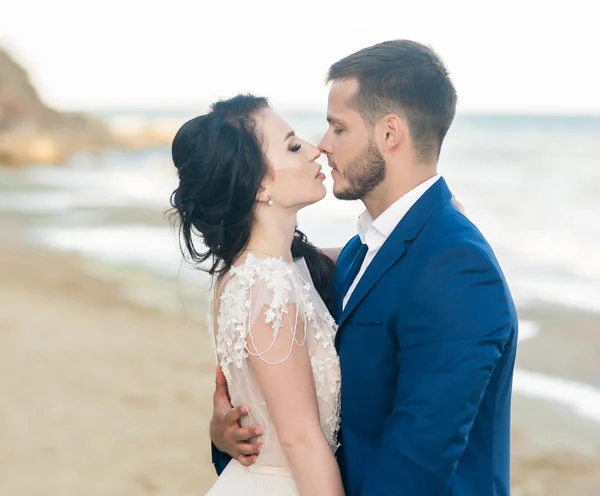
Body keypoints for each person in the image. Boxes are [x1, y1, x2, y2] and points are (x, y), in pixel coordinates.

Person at [209, 40, 518, 496]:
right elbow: (289, 387)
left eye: (338, 128)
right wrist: (229, 434)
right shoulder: (360, 254)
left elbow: (416, 463)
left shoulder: (457, 269)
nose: (322, 145)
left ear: (389, 133)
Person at [170, 94, 345, 495]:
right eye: (293, 145)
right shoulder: (267, 286)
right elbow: (301, 440)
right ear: (260, 181)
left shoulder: (264, 271)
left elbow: (365, 255)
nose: (315, 150)